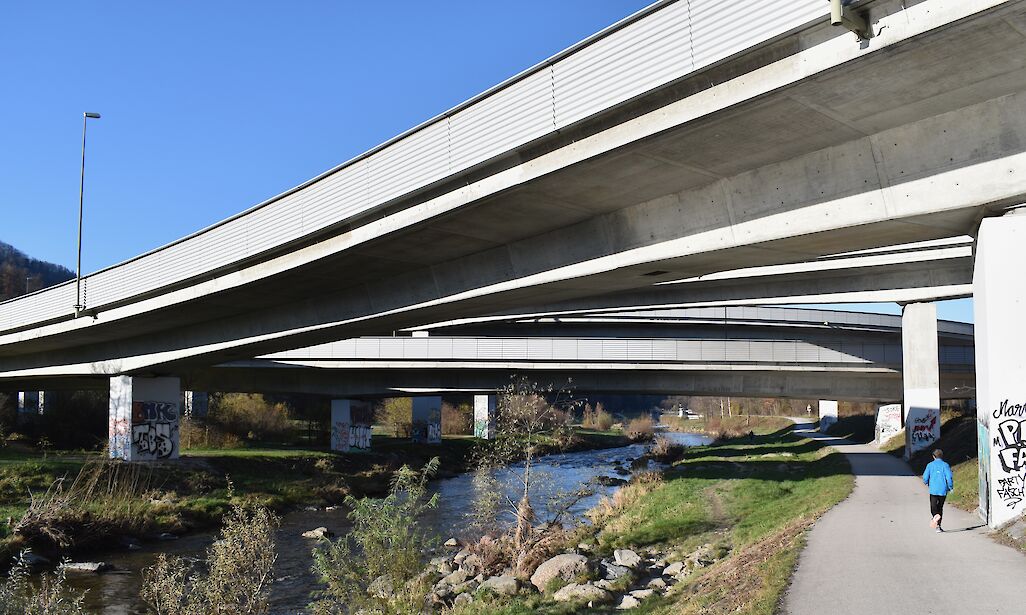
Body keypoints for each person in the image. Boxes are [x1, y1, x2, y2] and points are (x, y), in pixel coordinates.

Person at [922, 449, 954, 533]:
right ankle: (938, 526)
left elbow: (925, 477)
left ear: (933, 456)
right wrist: (950, 487)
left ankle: (935, 517)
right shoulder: (945, 465)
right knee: (940, 507)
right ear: (942, 456)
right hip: (943, 490)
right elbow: (949, 477)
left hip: (933, 489)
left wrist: (925, 482)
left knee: (933, 507)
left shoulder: (930, 465)